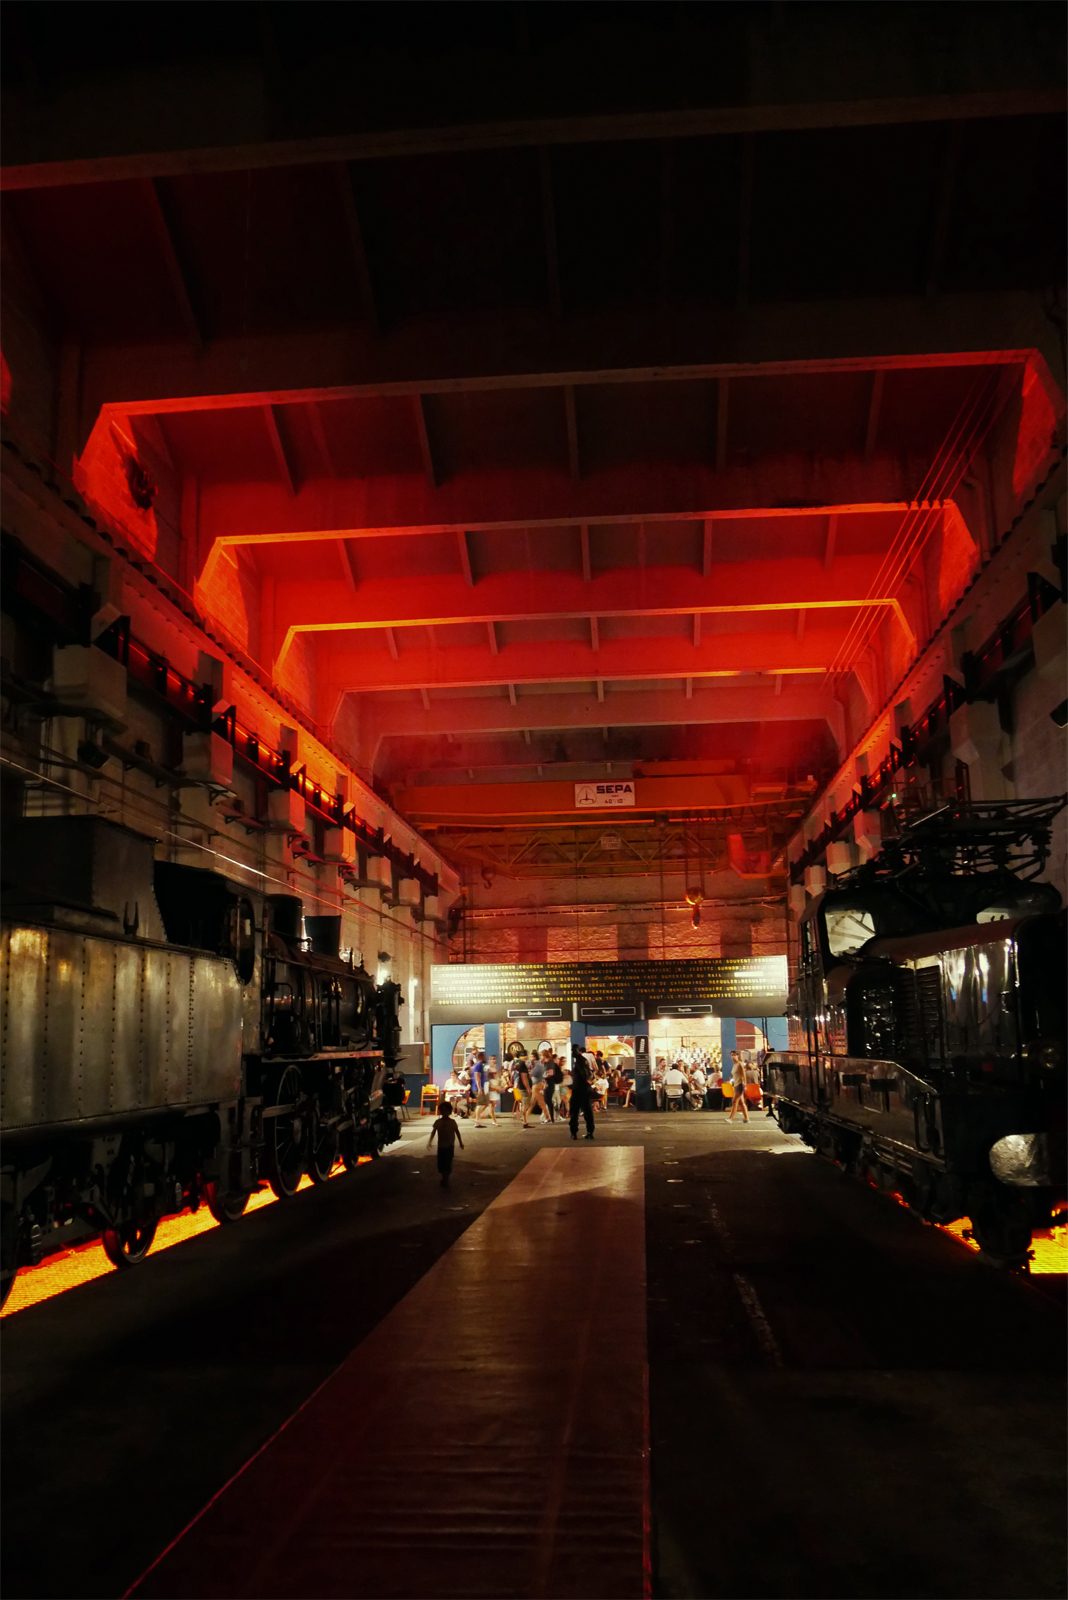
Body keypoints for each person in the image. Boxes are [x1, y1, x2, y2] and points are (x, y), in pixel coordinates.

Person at [427, 1099, 464, 1187]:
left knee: (447, 1162)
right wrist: (430, 1141)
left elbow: (457, 1132)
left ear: (449, 1111)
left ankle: (445, 1179)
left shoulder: (452, 1122)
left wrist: (460, 1142)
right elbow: (433, 1132)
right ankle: (445, 1178)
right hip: (441, 1146)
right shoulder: (438, 1122)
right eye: (442, 1110)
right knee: (442, 1163)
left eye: (446, 1110)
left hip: (449, 1146)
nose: (444, 1112)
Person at [569, 1050, 595, 1140]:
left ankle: (573, 1133)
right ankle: (590, 1132)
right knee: (588, 1112)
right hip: (586, 1091)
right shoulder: (585, 1064)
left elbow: (577, 1079)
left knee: (574, 1112)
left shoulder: (577, 1065)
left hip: (577, 1091)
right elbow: (590, 1076)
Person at [472, 1051, 496, 1126]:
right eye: (484, 1056)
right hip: (479, 1088)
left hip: (482, 1087)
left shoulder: (480, 1065)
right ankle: (476, 1121)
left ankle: (477, 1119)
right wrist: (479, 1088)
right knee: (480, 1104)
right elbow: (477, 1077)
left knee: (484, 1103)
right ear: (481, 1057)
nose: (485, 1057)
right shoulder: (478, 1065)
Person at [525, 1051, 549, 1127]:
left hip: (537, 1085)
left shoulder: (538, 1066)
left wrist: (528, 1072)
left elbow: (531, 1074)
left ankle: (547, 1117)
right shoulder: (537, 1065)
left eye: (531, 1056)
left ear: (535, 1057)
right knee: (532, 1103)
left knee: (541, 1102)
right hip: (537, 1085)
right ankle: (525, 1117)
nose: (530, 1058)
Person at [728, 1051, 750, 1123]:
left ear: (737, 1056)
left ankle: (730, 1118)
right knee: (741, 1102)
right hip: (736, 1084)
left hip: (740, 1085)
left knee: (734, 1101)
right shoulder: (734, 1065)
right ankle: (746, 1118)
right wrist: (732, 1081)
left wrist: (745, 1084)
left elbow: (743, 1074)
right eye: (731, 1055)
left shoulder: (740, 1064)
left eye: (734, 1055)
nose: (733, 1057)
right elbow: (734, 1075)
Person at [512, 1052, 532, 1120]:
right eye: (526, 1056)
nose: (527, 1057)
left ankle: (523, 1118)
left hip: (518, 1086)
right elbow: (524, 1078)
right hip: (523, 1088)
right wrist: (528, 1088)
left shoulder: (517, 1064)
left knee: (523, 1103)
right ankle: (523, 1119)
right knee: (526, 1104)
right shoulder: (522, 1064)